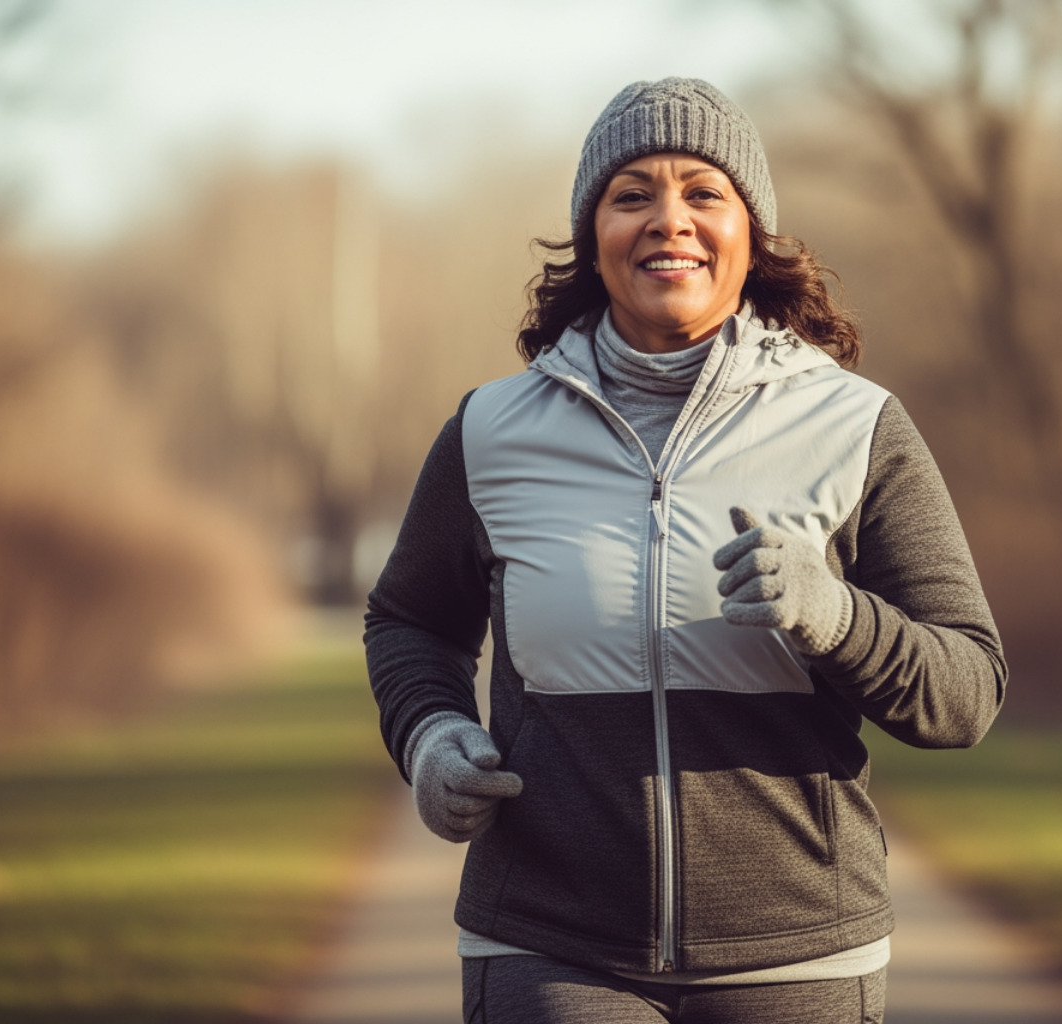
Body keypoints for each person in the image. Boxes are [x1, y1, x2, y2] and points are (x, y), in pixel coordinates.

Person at [365, 77, 1006, 1024]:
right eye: (633, 195)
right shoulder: (491, 432)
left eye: (704, 193)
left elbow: (967, 690)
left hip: (799, 953)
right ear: (594, 237)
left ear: (753, 234)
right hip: (548, 943)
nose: (671, 220)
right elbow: (410, 620)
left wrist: (835, 617)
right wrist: (429, 735)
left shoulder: (857, 425)